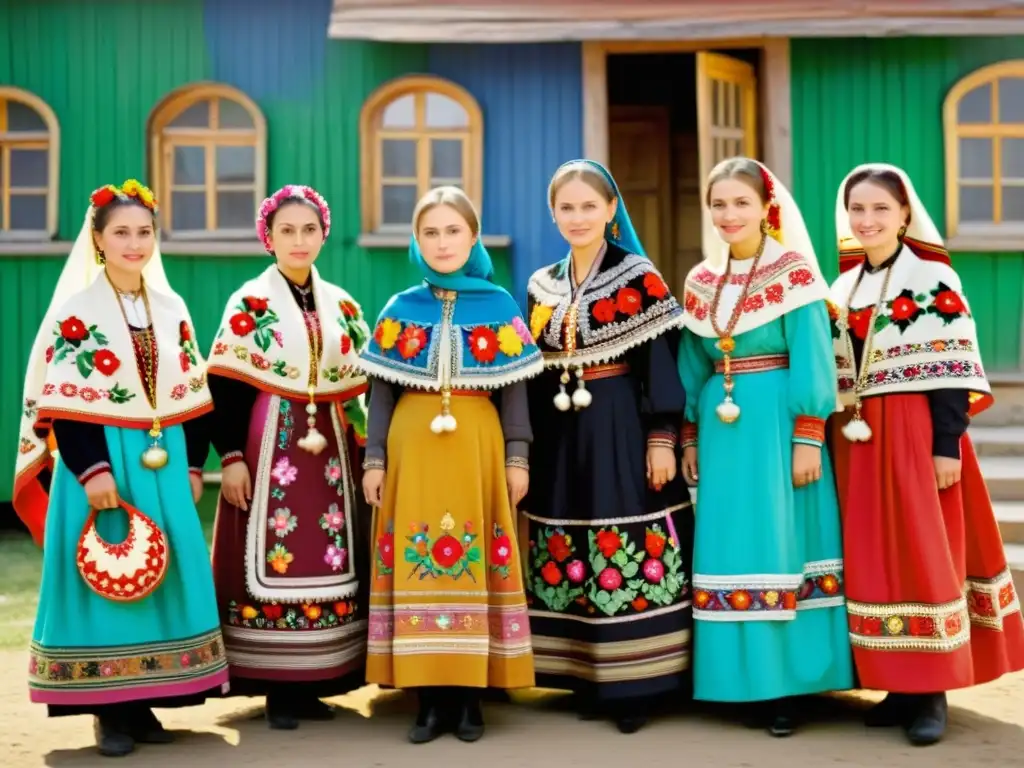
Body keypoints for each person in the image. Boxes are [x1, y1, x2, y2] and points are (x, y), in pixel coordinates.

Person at [12, 180, 228, 758]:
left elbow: (194, 394)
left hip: (162, 461)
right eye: (122, 233)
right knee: (113, 581)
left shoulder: (171, 307)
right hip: (103, 464)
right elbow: (66, 403)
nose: (136, 243)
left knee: (159, 574)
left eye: (145, 232)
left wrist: (191, 465)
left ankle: (146, 699)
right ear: (99, 240)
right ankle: (109, 712)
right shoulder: (76, 312)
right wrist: (91, 471)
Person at [828, 163, 1024, 746]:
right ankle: (897, 681)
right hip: (858, 437)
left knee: (920, 551)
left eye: (880, 209)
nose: (867, 220)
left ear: (906, 214)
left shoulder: (931, 279)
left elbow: (951, 370)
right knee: (873, 556)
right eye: (857, 210)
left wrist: (945, 447)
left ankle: (931, 690)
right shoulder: (844, 287)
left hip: (914, 433)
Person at [359, 186, 542, 744]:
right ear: (417, 240)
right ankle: (427, 699)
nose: (443, 243)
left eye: (453, 231)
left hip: (477, 450)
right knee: (417, 563)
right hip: (411, 451)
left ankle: (469, 699)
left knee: (475, 559)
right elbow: (382, 392)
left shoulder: (500, 306)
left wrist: (517, 458)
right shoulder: (399, 308)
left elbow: (514, 395)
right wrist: (374, 458)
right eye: (431, 233)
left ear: (473, 237)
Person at [678, 157, 852, 736]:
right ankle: (732, 682)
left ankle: (783, 686)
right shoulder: (701, 281)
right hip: (724, 434)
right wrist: (690, 434)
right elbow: (694, 365)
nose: (729, 215)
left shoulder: (795, 274)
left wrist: (809, 436)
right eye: (719, 204)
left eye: (740, 203)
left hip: (780, 426)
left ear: (765, 208)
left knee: (783, 542)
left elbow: (813, 354)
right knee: (730, 546)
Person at [522, 159, 693, 734]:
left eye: (588, 206)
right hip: (560, 434)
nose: (577, 217)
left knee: (625, 529)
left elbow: (660, 364)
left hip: (621, 422)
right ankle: (583, 672)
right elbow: (532, 371)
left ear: (611, 209)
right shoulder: (541, 283)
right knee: (567, 537)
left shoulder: (638, 276)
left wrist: (663, 437)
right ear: (553, 213)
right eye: (566, 208)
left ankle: (637, 681)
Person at [206, 185, 372, 730]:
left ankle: (317, 677)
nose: (299, 241)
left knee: (326, 552)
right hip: (269, 441)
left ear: (323, 234)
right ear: (268, 238)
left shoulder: (344, 306)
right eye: (287, 231)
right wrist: (231, 456)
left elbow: (364, 388)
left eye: (309, 230)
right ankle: (277, 684)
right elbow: (224, 386)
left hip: (331, 452)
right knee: (277, 555)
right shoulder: (249, 303)